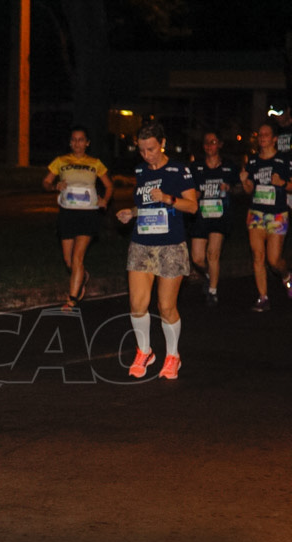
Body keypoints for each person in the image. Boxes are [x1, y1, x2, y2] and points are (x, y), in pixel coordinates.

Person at [116, 122, 197, 380]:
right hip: (142, 242)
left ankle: (173, 356)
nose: (146, 155)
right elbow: (146, 204)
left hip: (171, 245)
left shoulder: (179, 170)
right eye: (141, 150)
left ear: (162, 143)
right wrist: (132, 212)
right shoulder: (140, 170)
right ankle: (145, 351)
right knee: (137, 304)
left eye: (151, 149)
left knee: (165, 306)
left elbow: (192, 207)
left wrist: (168, 198)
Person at [43, 125, 113, 310]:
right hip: (67, 213)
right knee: (69, 261)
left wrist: (104, 200)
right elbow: (46, 182)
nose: (77, 143)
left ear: (87, 143)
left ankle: (72, 299)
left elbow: (109, 185)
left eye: (81, 139)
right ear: (70, 142)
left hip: (88, 214)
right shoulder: (60, 161)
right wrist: (54, 186)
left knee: (77, 258)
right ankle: (83, 276)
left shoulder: (95, 163)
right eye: (74, 139)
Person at [240, 121, 292, 312]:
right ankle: (263, 297)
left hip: (278, 213)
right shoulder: (253, 161)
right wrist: (244, 181)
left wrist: (282, 183)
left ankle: (286, 275)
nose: (262, 138)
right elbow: (249, 190)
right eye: (260, 135)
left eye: (266, 135)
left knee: (274, 260)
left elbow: (291, 186)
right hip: (256, 213)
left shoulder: (284, 160)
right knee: (258, 255)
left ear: (274, 139)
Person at [189, 130, 238, 306]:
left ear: (220, 144)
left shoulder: (229, 166)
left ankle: (212, 291)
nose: (209, 145)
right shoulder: (196, 167)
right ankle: (209, 275)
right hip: (201, 216)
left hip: (220, 216)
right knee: (197, 259)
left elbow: (240, 188)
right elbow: (191, 193)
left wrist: (229, 188)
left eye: (213, 141)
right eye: (207, 142)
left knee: (213, 254)